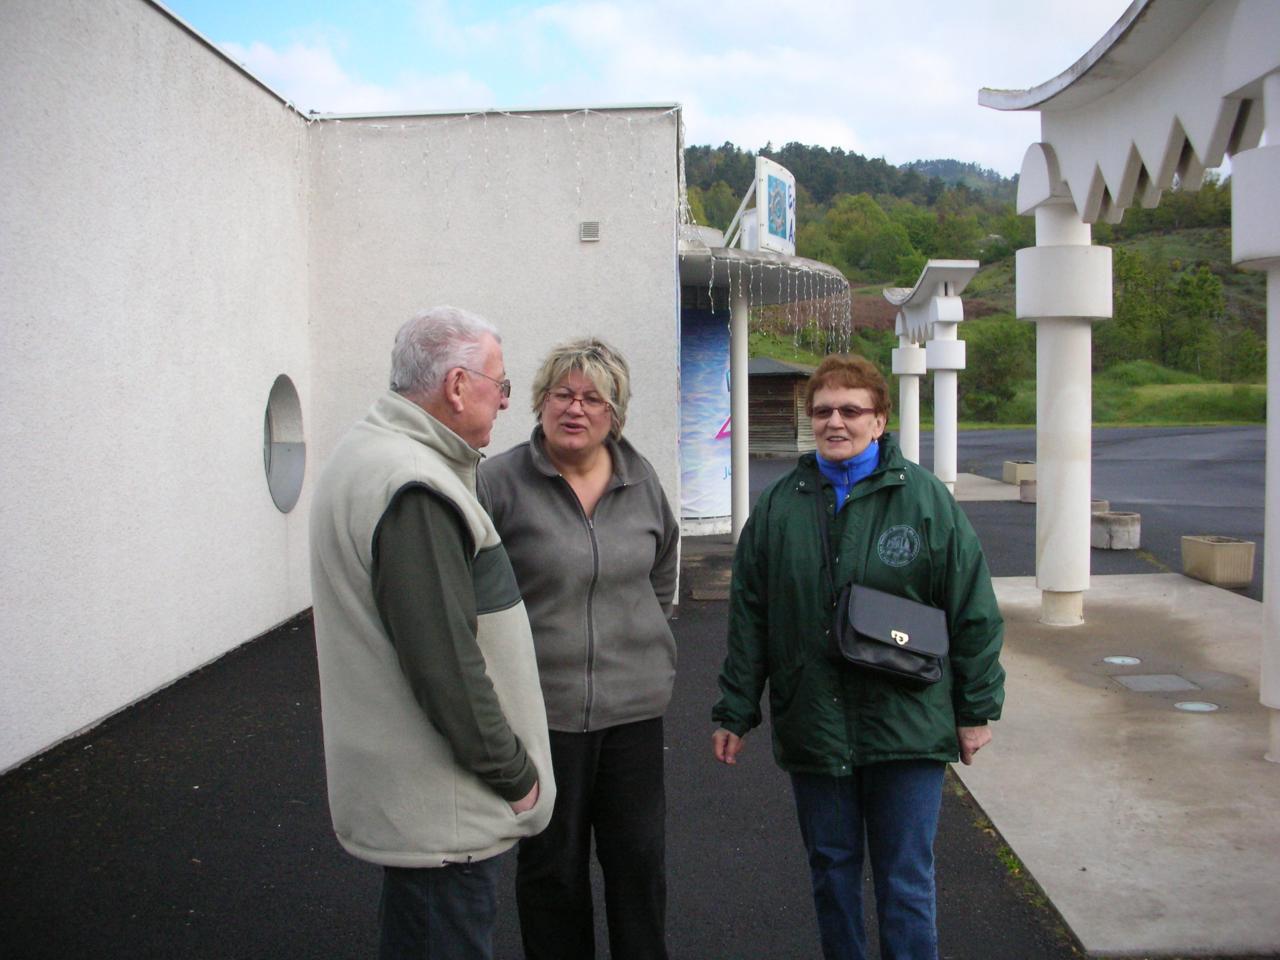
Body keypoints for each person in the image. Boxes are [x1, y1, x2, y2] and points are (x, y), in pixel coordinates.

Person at [711, 354, 1005, 960]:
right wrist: (735, 709)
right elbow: (751, 619)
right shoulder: (777, 507)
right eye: (822, 411)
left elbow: (972, 609)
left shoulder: (925, 501)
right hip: (814, 719)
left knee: (905, 879)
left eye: (851, 410)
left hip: (907, 721)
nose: (835, 422)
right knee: (831, 872)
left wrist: (975, 709)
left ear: (880, 420)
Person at [309, 306, 556, 960]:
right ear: (456, 386)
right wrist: (516, 777)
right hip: (445, 815)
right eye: (500, 386)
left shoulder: (372, 453)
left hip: (422, 808)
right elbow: (445, 665)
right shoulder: (413, 483)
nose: (505, 403)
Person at [478, 337, 679, 960]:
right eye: (563, 394)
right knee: (552, 870)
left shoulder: (641, 481)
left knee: (638, 866)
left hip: (633, 713)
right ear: (539, 403)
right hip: (544, 712)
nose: (576, 408)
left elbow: (662, 576)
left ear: (615, 413)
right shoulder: (498, 482)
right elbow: (470, 589)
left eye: (594, 398)